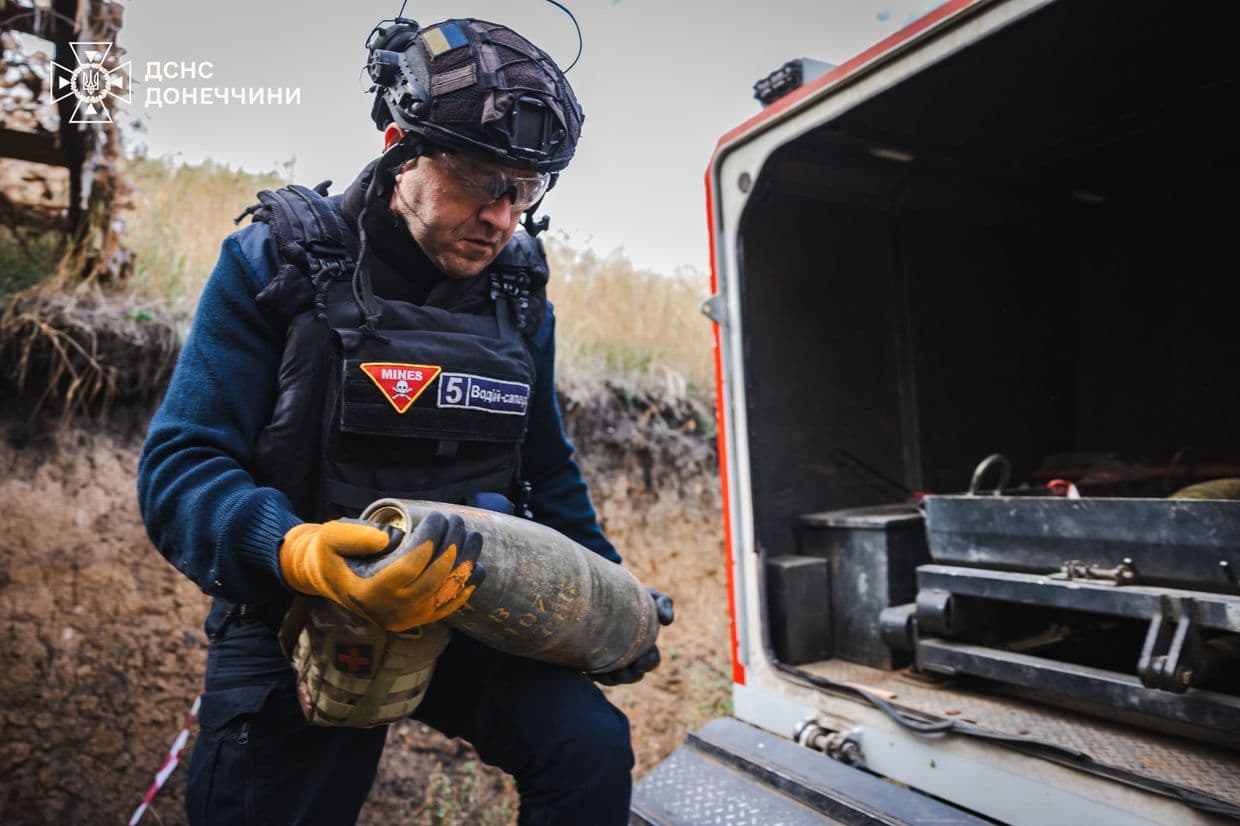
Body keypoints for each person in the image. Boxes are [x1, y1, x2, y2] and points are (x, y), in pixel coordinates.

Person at [137, 16, 670, 825]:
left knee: (588, 749)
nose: (504, 218)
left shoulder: (516, 291)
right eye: (485, 181)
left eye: (526, 191)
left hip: (467, 599)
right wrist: (294, 550)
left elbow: (547, 467)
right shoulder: (277, 263)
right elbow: (180, 470)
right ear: (400, 146)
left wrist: (608, 594)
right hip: (298, 612)